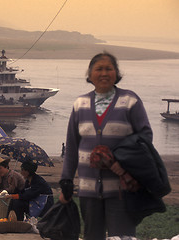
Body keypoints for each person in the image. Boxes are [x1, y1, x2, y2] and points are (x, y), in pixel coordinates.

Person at [59, 52, 153, 240]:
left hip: (122, 188)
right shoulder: (80, 104)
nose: (104, 73)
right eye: (99, 69)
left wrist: (121, 157)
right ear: (90, 74)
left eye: (109, 69)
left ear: (116, 73)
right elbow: (71, 147)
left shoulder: (130, 101)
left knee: (122, 237)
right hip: (88, 190)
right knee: (92, 236)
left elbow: (145, 137)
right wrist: (66, 181)